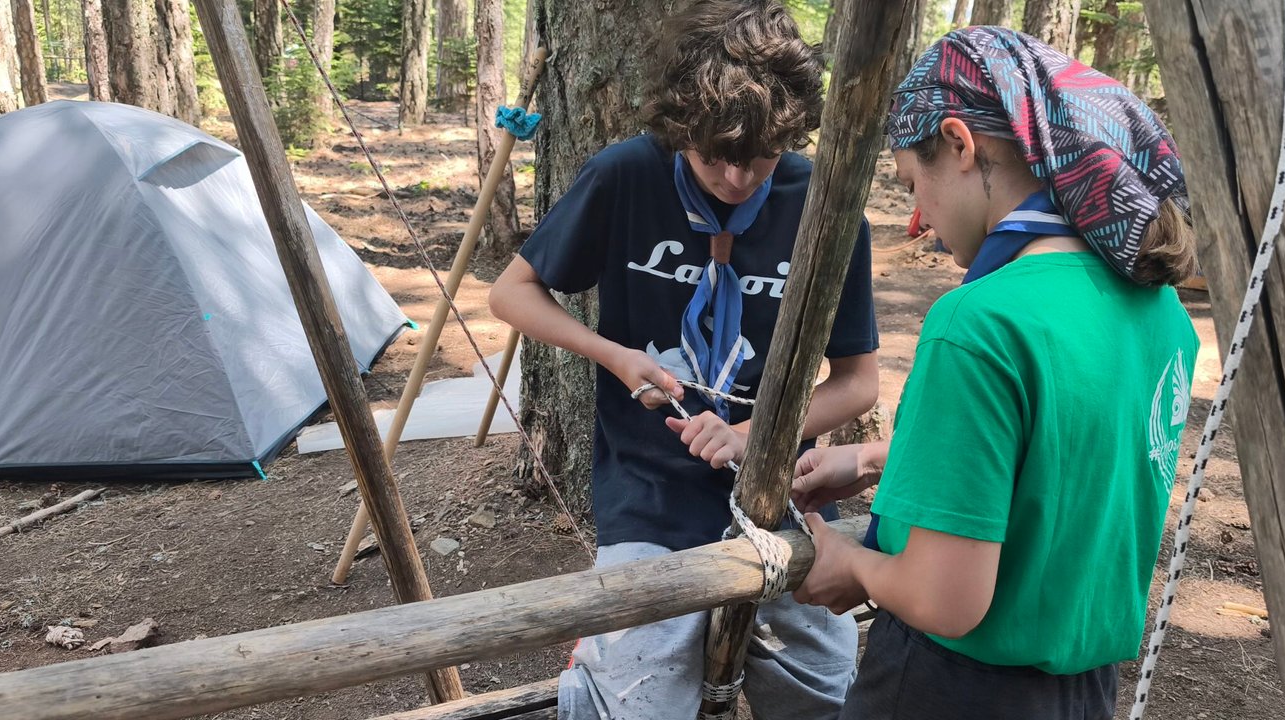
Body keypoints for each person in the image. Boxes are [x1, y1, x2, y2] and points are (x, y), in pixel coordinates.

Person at [786, 27, 1201, 720]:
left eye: (913, 185)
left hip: (946, 692)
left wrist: (850, 563)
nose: (917, 220)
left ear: (959, 143)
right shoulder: (1161, 312)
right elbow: (1068, 461)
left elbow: (944, 599)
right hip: (1083, 692)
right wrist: (882, 458)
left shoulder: (979, 322)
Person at [487, 2, 880, 718]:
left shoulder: (824, 205)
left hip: (783, 494)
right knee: (641, 691)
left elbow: (858, 384)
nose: (736, 177)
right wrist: (614, 356)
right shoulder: (625, 176)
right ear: (680, 129)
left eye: (760, 157)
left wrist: (754, 436)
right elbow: (511, 294)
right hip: (649, 493)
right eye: (712, 157)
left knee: (823, 688)